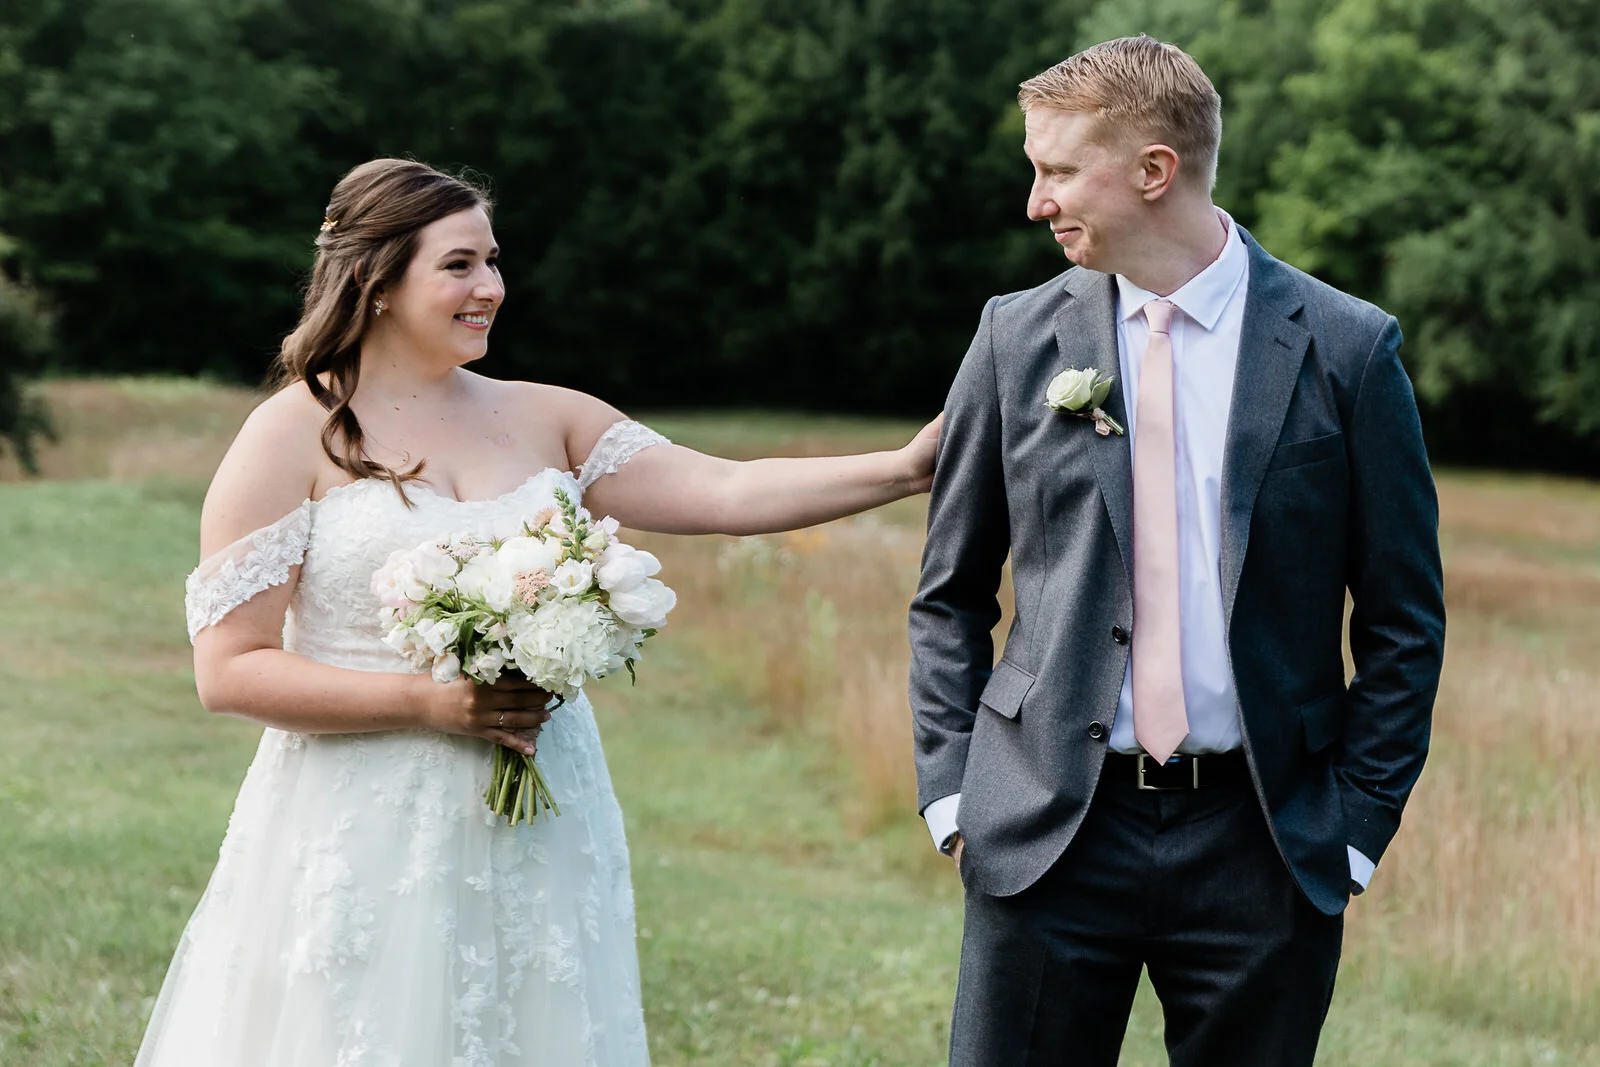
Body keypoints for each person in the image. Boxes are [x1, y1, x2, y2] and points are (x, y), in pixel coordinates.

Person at [137, 157, 940, 1066]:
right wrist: (429, 704)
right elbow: (229, 666)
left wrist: (904, 468)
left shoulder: (548, 416)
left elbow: (726, 488)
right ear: (375, 278)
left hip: (543, 811)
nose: (491, 287)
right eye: (459, 265)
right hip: (360, 820)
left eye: (493, 261)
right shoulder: (297, 431)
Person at [909, 35, 1445, 1067]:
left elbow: (1401, 618)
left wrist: (1353, 826)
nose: (1035, 200)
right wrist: (953, 793)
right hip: (1047, 831)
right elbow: (948, 593)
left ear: (1154, 171)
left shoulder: (1347, 348)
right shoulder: (1012, 339)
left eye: (1057, 170)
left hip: (1266, 839)